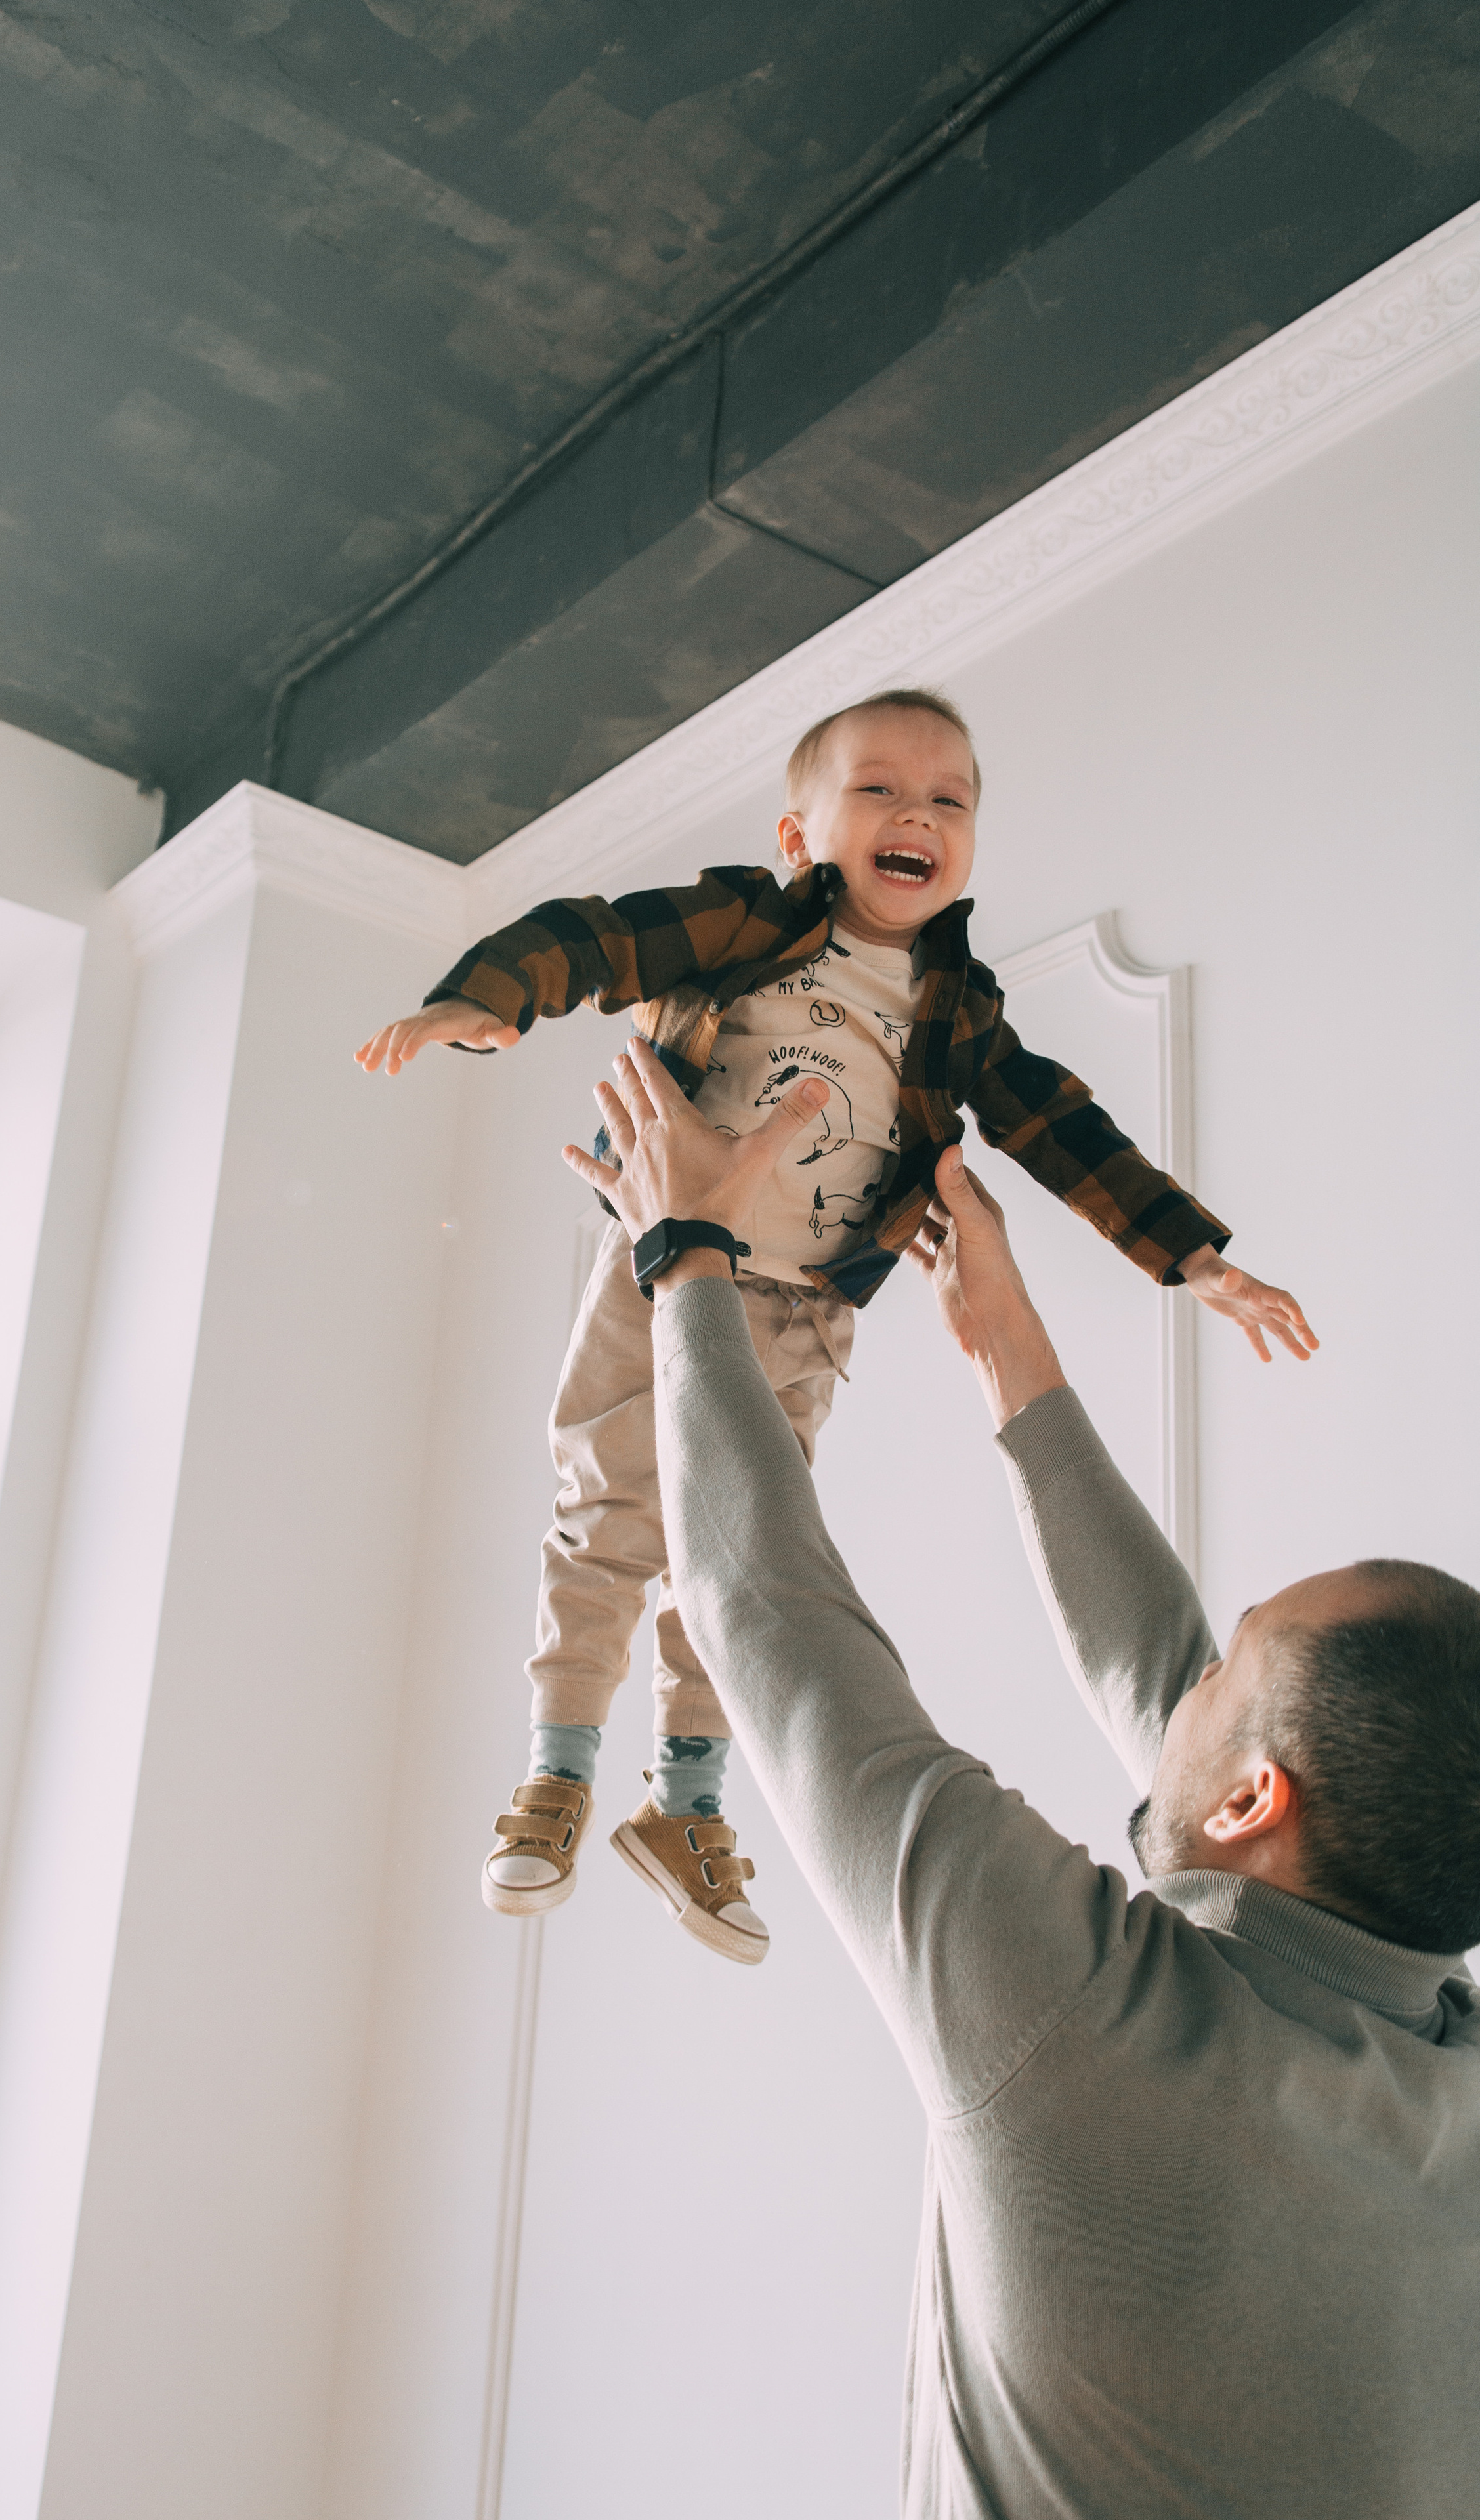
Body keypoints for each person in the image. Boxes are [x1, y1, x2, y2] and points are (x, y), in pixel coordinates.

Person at [566, 1036, 1480, 2520]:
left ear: (1256, 1802)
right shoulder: (1443, 2061)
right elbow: (1183, 1715)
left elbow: (771, 1621)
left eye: (1225, 1661)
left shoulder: (1075, 2021)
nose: (1190, 1667)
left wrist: (681, 1252)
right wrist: (1010, 1358)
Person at [358, 688, 1314, 1964]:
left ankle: (684, 1807)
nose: (916, 813)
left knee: (740, 1553)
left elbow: (1053, 1122)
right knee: (610, 1520)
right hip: (662, 1259)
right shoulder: (745, 918)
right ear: (801, 835)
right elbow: (594, 941)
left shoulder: (953, 1004)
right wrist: (481, 1001)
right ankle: (556, 1773)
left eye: (948, 799)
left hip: (802, 1312)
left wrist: (1190, 1257)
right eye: (878, 790)